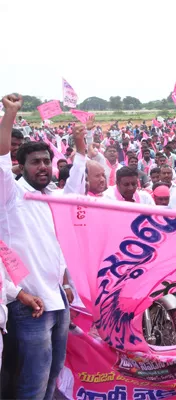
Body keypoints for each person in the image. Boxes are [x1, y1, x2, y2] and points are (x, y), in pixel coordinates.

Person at [0, 94, 86, 399]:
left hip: (58, 301)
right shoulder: (11, 195)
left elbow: (76, 187)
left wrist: (81, 147)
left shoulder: (51, 195)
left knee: (52, 376)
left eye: (47, 161)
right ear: (20, 167)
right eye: (35, 162)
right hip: (28, 304)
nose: (43, 167)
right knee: (31, 383)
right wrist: (9, 115)